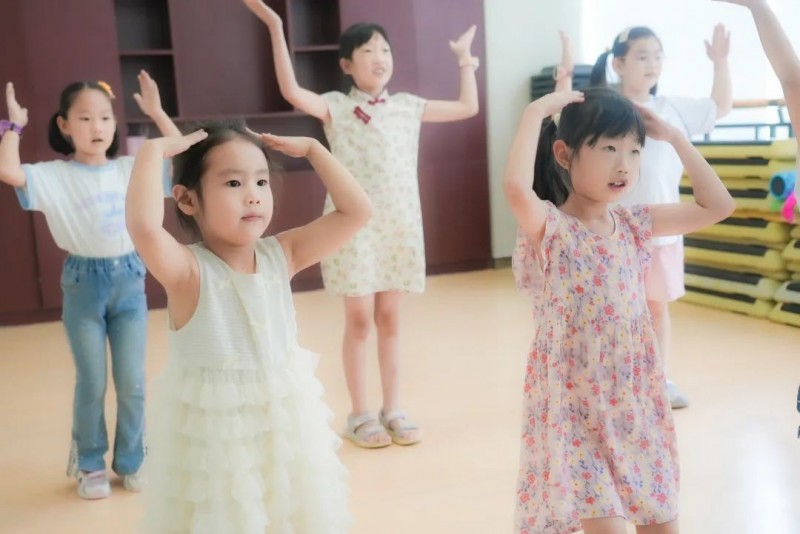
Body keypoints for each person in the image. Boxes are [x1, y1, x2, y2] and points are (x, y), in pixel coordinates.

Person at [243, 0, 479, 447]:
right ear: (347, 65)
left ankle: (393, 408)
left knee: (390, 318)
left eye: (384, 50)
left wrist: (465, 58)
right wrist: (275, 25)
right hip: (351, 229)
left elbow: (468, 106)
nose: (379, 58)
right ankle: (359, 413)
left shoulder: (408, 106)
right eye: (368, 51)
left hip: (399, 227)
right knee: (359, 320)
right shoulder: (335, 106)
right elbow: (292, 91)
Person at [503, 87, 735, 533]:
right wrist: (535, 110)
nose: (624, 164)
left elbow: (718, 205)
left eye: (634, 150)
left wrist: (675, 137)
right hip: (576, 414)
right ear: (564, 155)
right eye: (609, 148)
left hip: (636, 405)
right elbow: (515, 187)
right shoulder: (551, 226)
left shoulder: (634, 224)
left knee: (662, 524)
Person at [125, 119, 370, 531]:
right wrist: (152, 153)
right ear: (187, 200)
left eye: (261, 181)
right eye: (234, 183)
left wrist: (315, 150)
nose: (253, 195)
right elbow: (145, 228)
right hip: (219, 437)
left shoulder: (282, 254)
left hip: (285, 420)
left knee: (291, 510)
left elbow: (356, 212)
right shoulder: (188, 271)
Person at [0, 71, 179, 499]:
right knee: (92, 382)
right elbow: (8, 171)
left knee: (133, 381)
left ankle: (133, 460)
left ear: (115, 124)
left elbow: (179, 155)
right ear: (64, 125)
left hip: (130, 280)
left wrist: (156, 112)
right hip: (83, 284)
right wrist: (14, 127)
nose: (97, 126)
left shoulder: (132, 168)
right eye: (84, 118)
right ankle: (90, 464)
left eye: (105, 117)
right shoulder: (53, 176)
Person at [577, 25, 733, 409]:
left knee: (656, 306)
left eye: (658, 56)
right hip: (611, 232)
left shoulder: (671, 109)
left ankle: (658, 378)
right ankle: (610, 380)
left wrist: (720, 61)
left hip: (661, 233)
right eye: (642, 56)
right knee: (610, 310)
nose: (652, 63)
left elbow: (719, 106)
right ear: (619, 64)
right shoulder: (606, 109)